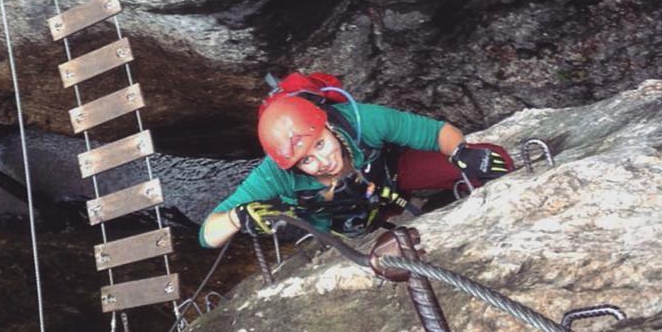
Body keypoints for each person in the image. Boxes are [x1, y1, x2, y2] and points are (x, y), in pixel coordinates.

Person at [198, 84, 510, 249]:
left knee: (491, 159)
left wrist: (459, 152)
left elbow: (436, 132)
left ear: (329, 127)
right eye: (306, 160)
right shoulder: (275, 174)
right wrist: (238, 217)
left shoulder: (360, 120)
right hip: (343, 224)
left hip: (392, 179)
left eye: (320, 144)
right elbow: (207, 234)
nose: (323, 162)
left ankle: (445, 199)